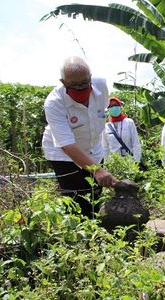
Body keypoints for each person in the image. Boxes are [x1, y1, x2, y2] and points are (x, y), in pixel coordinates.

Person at [42, 56, 117, 218]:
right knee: (76, 201)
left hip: (93, 148)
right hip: (63, 154)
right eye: (74, 85)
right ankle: (79, 236)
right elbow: (66, 144)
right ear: (63, 82)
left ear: (90, 78)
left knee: (95, 197)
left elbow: (99, 112)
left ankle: (95, 232)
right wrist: (97, 170)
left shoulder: (101, 85)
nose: (80, 88)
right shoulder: (54, 103)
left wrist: (98, 170)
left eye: (84, 83)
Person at [102, 97, 142, 163]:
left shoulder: (129, 122)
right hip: (114, 165)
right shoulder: (106, 127)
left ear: (120, 107)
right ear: (108, 109)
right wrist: (106, 166)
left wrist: (136, 162)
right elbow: (105, 148)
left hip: (130, 163)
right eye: (111, 106)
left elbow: (136, 144)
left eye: (116, 105)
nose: (114, 107)